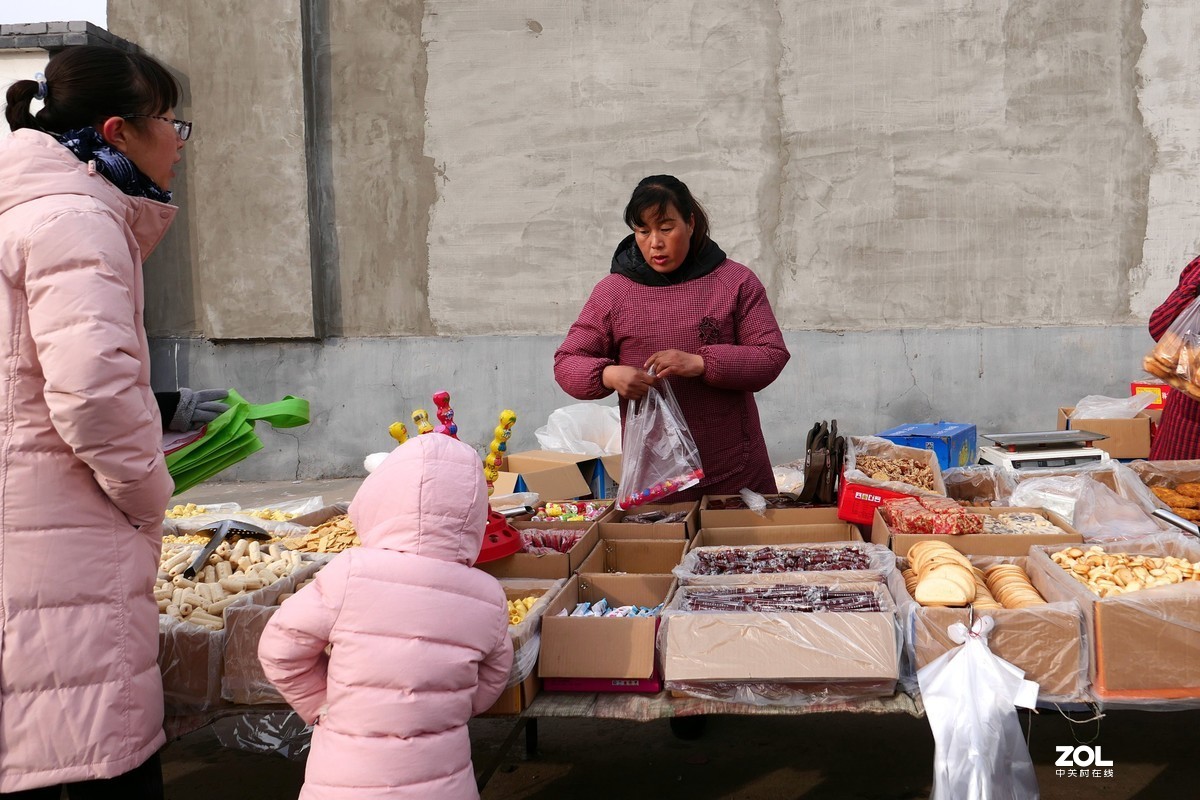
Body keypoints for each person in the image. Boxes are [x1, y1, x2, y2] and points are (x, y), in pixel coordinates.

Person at [0, 45, 194, 797]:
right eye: (171, 122)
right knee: (83, 747)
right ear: (118, 131)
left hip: (31, 524)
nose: (179, 140)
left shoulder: (27, 211)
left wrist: (166, 406)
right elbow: (88, 393)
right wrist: (149, 494)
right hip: (62, 537)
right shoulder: (78, 220)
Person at [258, 434, 513, 800]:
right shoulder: (487, 594)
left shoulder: (350, 572)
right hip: (446, 782)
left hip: (346, 783)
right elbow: (495, 674)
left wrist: (318, 703)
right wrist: (452, 707)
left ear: (380, 498)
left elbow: (280, 646)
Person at [554, 175, 790, 501]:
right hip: (657, 479)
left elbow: (771, 355)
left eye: (666, 228)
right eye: (643, 231)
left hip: (737, 472)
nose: (655, 242)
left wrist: (702, 363)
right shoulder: (613, 293)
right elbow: (567, 362)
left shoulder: (734, 281)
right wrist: (609, 374)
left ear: (690, 223)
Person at [1148, 255, 1200, 459]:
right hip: (1191, 420)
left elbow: (1159, 328)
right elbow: (1161, 328)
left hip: (1190, 418)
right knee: (1176, 487)